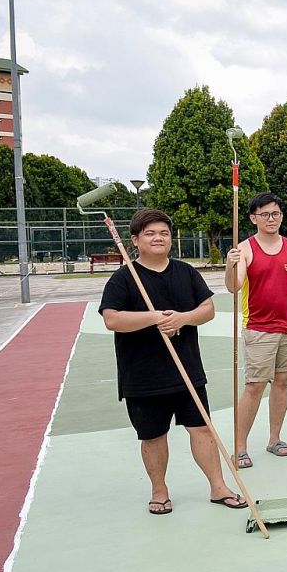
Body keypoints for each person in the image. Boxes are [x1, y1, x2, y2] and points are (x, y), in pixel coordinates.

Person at [99, 208, 247, 514]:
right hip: (142, 375)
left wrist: (183, 318)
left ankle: (218, 487)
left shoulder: (185, 272)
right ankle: (160, 490)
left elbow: (207, 309)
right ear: (136, 239)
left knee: (202, 429)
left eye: (164, 233)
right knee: (153, 436)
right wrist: (154, 317)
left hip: (187, 371)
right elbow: (112, 319)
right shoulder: (124, 278)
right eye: (150, 233)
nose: (158, 238)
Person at [225, 192, 287, 468]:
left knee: (281, 383)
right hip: (259, 329)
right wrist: (231, 267)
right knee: (254, 386)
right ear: (253, 218)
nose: (271, 219)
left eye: (275, 214)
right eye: (264, 214)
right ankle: (239, 447)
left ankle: (274, 438)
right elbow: (234, 286)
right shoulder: (245, 249)